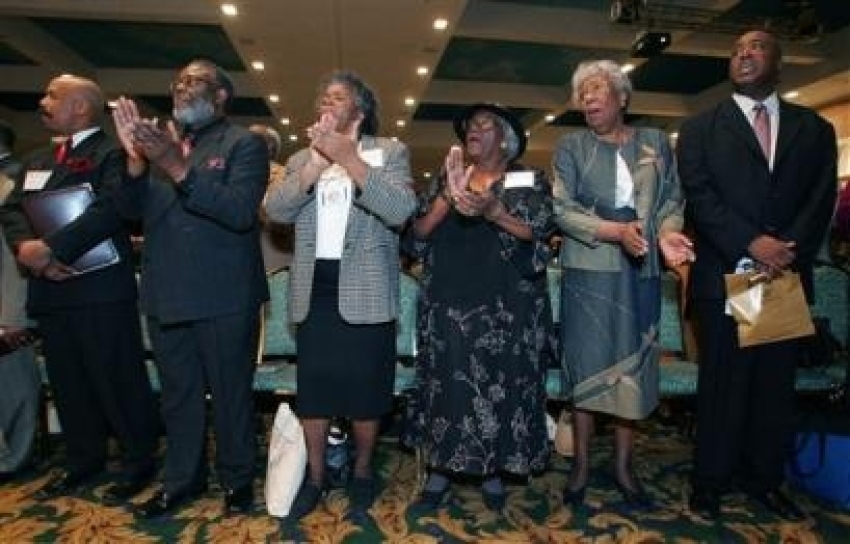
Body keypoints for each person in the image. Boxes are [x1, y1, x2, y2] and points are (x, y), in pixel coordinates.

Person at [677, 29, 837, 521]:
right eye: (736, 49)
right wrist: (751, 243)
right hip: (725, 273)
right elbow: (700, 198)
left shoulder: (814, 129)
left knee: (773, 387)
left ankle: (764, 479)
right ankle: (710, 481)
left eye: (757, 47)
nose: (744, 54)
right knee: (723, 384)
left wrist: (785, 250)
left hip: (782, 278)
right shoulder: (702, 128)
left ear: (779, 61)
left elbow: (821, 197)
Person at [111, 59, 270, 517]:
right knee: (178, 397)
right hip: (166, 293)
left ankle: (237, 482)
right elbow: (126, 210)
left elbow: (240, 212)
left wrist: (178, 168)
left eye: (196, 81)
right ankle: (183, 481)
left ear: (221, 96)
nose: (183, 87)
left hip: (225, 295)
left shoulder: (244, 144)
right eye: (178, 81)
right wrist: (135, 161)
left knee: (229, 394)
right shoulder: (157, 145)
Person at [263, 70, 417, 519]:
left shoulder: (388, 151)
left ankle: (363, 469)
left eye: (337, 96)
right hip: (315, 289)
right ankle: (315, 476)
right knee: (316, 391)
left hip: (366, 287)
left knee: (367, 390)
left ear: (360, 109)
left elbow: (401, 211)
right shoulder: (299, 156)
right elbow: (277, 209)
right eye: (322, 96)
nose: (325, 102)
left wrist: (349, 158)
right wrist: (314, 162)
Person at [0, 76, 159, 502]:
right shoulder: (35, 158)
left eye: (53, 94)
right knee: (69, 383)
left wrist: (51, 249)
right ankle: (82, 461)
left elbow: (113, 210)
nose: (42, 101)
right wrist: (25, 248)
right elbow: (13, 209)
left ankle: (138, 460)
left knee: (116, 379)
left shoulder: (112, 153)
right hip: (51, 292)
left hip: (100, 290)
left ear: (82, 108)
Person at [551, 60, 693, 510]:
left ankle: (623, 466)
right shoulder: (571, 146)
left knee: (634, 369)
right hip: (589, 270)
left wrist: (668, 232)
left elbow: (672, 198)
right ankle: (580, 467)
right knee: (587, 368)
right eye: (582, 93)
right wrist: (614, 232)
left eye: (597, 90)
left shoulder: (654, 142)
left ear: (622, 97)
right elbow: (561, 208)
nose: (588, 99)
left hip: (641, 273)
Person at [402, 103, 553, 511]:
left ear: (505, 139)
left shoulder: (527, 179)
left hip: (507, 304)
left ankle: (493, 471)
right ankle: (439, 470)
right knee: (448, 384)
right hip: (449, 301)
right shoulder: (445, 178)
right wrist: (448, 198)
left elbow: (537, 232)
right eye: (471, 125)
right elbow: (415, 236)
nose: (474, 130)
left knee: (500, 385)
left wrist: (493, 210)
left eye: (485, 125)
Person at [0, 121, 41, 483]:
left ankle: (16, 459)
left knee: (14, 389)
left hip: (7, 306)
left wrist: (12, 315)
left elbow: (11, 258)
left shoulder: (15, 179)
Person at [249, 123, 293, 272]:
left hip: (273, 264)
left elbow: (284, 219)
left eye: (249, 141)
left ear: (268, 147)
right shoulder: (232, 176)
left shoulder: (286, 176)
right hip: (240, 262)